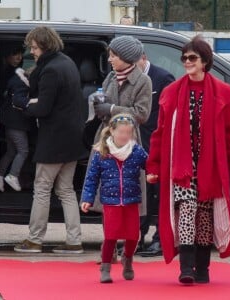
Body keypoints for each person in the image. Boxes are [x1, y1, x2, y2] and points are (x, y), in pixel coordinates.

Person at [146, 35, 230, 285]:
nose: (187, 62)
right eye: (184, 58)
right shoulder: (172, 92)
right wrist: (154, 166)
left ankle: (203, 269)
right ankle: (187, 268)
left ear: (205, 61)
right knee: (186, 212)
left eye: (192, 58)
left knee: (205, 216)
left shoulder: (223, 93)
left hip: (211, 166)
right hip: (181, 166)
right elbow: (159, 133)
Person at [14, 26, 84, 254]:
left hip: (54, 139)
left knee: (42, 188)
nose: (32, 52)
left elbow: (43, 108)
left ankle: (34, 240)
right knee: (66, 190)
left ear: (44, 45)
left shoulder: (51, 70)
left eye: (34, 47)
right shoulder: (67, 62)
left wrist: (23, 105)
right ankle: (74, 241)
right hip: (72, 139)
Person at [86, 35, 152, 262]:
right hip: (106, 140)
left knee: (130, 195)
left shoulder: (143, 81)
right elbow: (104, 103)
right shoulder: (111, 78)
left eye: (114, 55)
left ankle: (129, 249)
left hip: (129, 143)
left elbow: (142, 114)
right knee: (107, 194)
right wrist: (97, 104)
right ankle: (110, 250)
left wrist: (112, 108)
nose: (110, 59)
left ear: (126, 57)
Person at [81, 113, 147, 283]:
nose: (125, 136)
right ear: (111, 131)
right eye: (121, 132)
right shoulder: (101, 152)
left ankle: (128, 258)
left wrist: (154, 173)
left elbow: (150, 164)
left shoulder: (137, 150)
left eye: (128, 133)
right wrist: (87, 198)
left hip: (131, 200)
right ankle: (105, 266)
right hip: (110, 201)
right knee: (111, 235)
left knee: (133, 236)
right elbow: (91, 177)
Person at [136, 53, 175, 256]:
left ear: (143, 58)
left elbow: (168, 114)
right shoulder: (128, 77)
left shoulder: (162, 78)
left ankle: (160, 239)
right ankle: (137, 237)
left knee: (159, 194)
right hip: (136, 145)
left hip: (158, 146)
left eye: (134, 62)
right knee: (141, 195)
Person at [0, 44, 35, 192]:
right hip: (16, 122)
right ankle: (12, 175)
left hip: (8, 120)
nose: (19, 57)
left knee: (11, 151)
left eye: (20, 53)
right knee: (23, 150)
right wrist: (33, 101)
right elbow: (18, 100)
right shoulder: (18, 80)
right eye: (15, 53)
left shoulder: (13, 75)